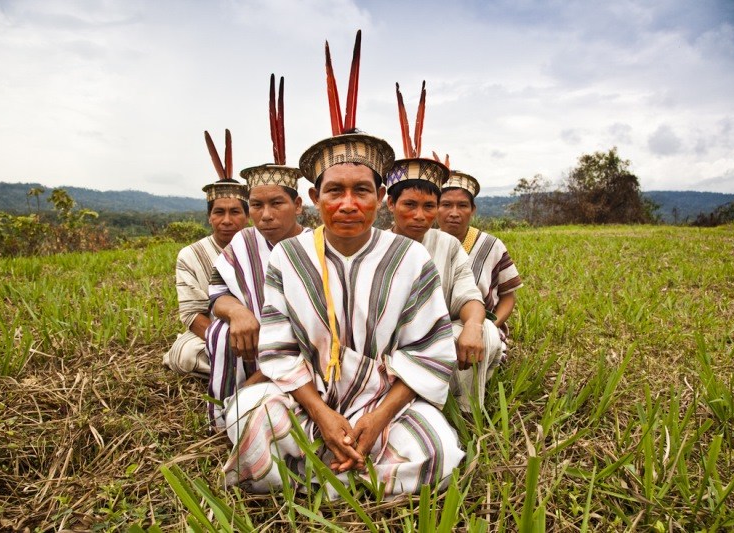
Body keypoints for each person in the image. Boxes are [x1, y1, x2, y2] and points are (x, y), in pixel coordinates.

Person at [220, 31, 463, 497]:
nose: (348, 204)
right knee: (247, 414)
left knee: (438, 453)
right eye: (335, 191)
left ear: (380, 199)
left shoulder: (410, 257)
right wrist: (324, 415)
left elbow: (429, 351)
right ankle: (344, 468)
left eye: (362, 190)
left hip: (384, 400)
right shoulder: (289, 256)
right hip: (306, 397)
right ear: (315, 198)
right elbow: (277, 349)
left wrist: (376, 418)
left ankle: (321, 473)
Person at [386, 82, 500, 412]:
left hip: (441, 333)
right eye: (409, 205)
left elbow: (469, 296)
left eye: (429, 206)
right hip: (392, 343)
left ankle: (464, 412)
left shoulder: (447, 244)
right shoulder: (378, 245)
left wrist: (475, 327)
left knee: (487, 333)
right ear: (390, 204)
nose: (420, 216)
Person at [206, 74, 308, 427]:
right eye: (256, 205)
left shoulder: (316, 242)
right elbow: (217, 291)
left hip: (306, 346)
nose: (265, 215)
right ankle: (225, 413)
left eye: (277, 203)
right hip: (252, 339)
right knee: (220, 331)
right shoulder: (244, 241)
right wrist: (237, 313)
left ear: (297, 204)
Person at [163, 130, 248, 378]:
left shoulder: (260, 246)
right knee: (184, 355)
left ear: (247, 215)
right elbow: (192, 314)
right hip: (214, 334)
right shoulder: (191, 255)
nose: (227, 220)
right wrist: (225, 343)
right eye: (219, 212)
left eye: (235, 212)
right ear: (209, 216)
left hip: (261, 333)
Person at [437, 169, 523, 359]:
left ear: (473, 209)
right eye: (446, 205)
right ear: (435, 207)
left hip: (479, 327)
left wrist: (489, 327)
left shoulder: (491, 246)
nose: (454, 213)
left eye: (462, 205)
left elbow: (508, 296)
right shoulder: (425, 242)